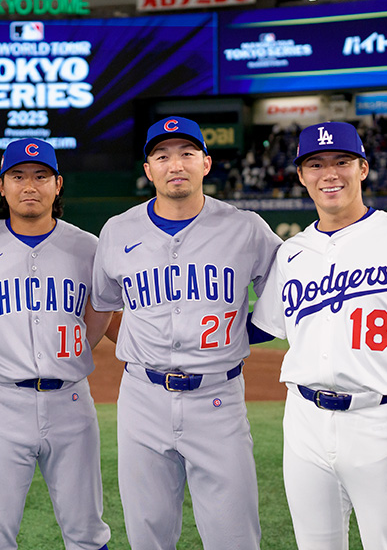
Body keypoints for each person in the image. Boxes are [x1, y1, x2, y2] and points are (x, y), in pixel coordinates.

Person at [251, 121, 387, 549]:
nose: (329, 174)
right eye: (316, 164)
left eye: (342, 162)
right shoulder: (291, 252)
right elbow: (258, 329)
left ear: (363, 168)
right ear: (301, 175)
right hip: (304, 423)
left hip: (378, 423)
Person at [91, 117, 280, 549]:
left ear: (206, 163)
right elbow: (104, 304)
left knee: (234, 537)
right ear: (148, 170)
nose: (175, 164)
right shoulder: (118, 231)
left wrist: (238, 335)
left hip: (218, 398)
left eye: (186, 154)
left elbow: (284, 297)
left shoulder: (246, 228)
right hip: (141, 398)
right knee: (147, 535)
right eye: (162, 156)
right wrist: (141, 346)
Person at [0, 138, 112, 550]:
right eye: (18, 176)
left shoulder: (89, 247)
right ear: (1, 186)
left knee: (87, 532)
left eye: (41, 176)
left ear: (58, 184)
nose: (30, 185)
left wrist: (74, 352)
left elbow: (103, 311)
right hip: (1, 405)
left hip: (72, 404)